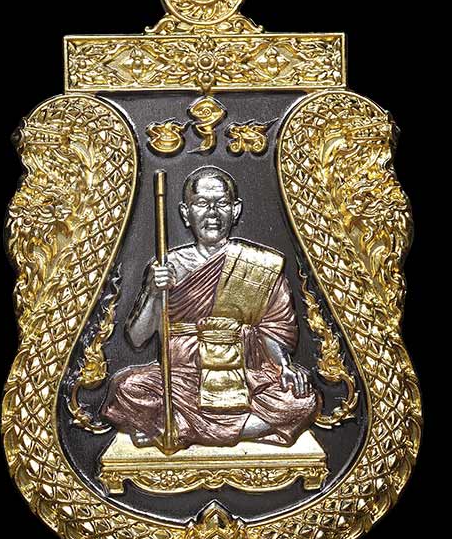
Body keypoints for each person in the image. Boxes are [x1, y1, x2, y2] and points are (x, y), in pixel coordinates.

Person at [101, 166, 321, 449]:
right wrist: (154, 293)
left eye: (222, 203)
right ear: (186, 213)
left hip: (243, 373)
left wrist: (284, 367)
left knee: (301, 400)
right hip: (183, 377)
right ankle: (216, 428)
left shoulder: (259, 266)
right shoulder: (168, 266)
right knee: (127, 387)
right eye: (202, 203)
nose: (213, 213)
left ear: (236, 210)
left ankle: (180, 428)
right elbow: (137, 338)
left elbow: (272, 328)